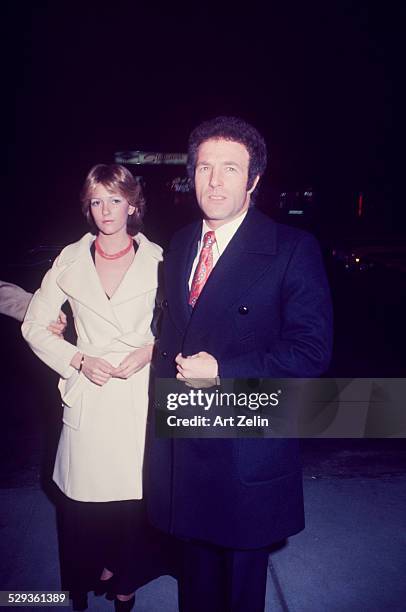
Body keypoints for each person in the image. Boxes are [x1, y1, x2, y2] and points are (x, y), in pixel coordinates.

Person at [146, 116, 333, 612]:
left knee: (240, 590)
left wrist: (225, 370)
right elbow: (167, 329)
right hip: (184, 440)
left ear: (253, 180)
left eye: (230, 169)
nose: (214, 181)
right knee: (197, 583)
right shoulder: (181, 243)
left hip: (245, 444)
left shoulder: (293, 249)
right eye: (204, 167)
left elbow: (311, 351)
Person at [22, 164, 163, 611]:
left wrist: (150, 349)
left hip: (138, 394)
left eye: (115, 199)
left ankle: (125, 584)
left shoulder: (162, 259)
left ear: (133, 205)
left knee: (134, 504)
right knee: (82, 507)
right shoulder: (69, 260)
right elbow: (34, 325)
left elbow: (184, 325)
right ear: (88, 206)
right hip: (88, 392)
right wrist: (77, 358)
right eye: (97, 201)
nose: (106, 210)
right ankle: (81, 585)